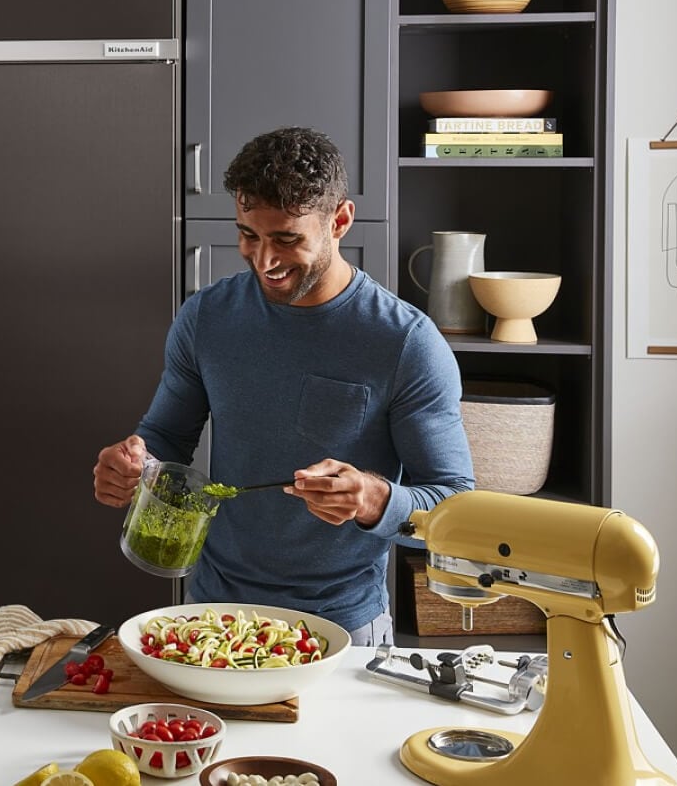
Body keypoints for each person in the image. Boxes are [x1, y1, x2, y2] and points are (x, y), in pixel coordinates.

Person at [92, 126, 474, 646]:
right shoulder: (208, 317)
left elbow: (455, 505)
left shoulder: (406, 343)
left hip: (341, 625)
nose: (264, 260)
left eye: (287, 240)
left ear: (340, 221)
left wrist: (372, 499)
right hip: (211, 612)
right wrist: (133, 465)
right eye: (249, 235)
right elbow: (166, 437)